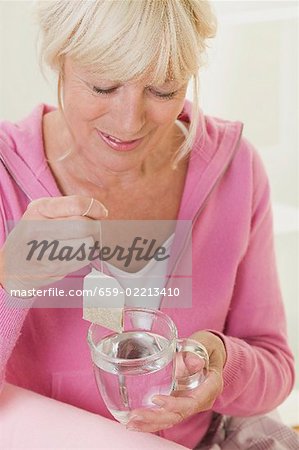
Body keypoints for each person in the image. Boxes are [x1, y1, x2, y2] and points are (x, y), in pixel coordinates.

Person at [0, 1, 298, 449]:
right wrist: (11, 282)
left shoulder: (236, 169)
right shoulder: (6, 174)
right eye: (103, 86)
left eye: (162, 90)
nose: (129, 122)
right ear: (59, 60)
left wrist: (222, 362)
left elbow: (275, 369)